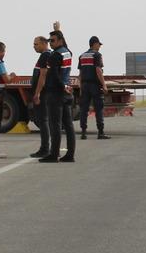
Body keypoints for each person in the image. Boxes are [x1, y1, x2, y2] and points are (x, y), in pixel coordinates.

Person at [36, 29, 76, 163]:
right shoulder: (67, 52)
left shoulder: (55, 56)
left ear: (60, 40)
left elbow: (54, 74)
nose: (50, 43)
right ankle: (70, 154)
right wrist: (65, 86)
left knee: (55, 125)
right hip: (66, 93)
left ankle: (54, 154)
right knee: (68, 125)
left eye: (53, 40)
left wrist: (62, 86)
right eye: (49, 40)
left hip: (56, 93)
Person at [78, 36, 111, 140]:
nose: (99, 47)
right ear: (95, 44)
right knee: (98, 108)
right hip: (95, 85)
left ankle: (83, 133)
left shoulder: (82, 56)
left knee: (84, 109)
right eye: (99, 45)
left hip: (84, 85)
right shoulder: (97, 55)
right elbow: (98, 70)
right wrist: (104, 85)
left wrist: (80, 88)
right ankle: (100, 133)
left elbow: (80, 74)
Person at [29, 35, 51, 158]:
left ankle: (45, 148)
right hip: (45, 93)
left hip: (43, 94)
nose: (34, 46)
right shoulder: (48, 55)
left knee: (43, 121)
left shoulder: (45, 55)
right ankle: (47, 148)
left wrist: (37, 93)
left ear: (44, 43)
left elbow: (43, 76)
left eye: (36, 44)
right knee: (44, 120)